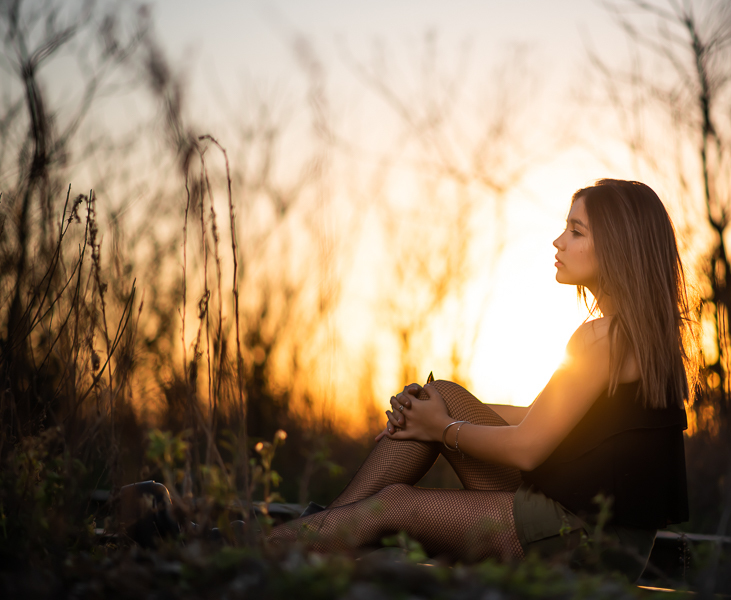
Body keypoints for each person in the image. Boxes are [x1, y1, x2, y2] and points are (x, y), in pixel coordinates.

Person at [268, 179, 694, 580]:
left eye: (576, 231)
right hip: (600, 532)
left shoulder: (603, 339)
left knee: (391, 506)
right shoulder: (640, 337)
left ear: (618, 248)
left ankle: (260, 548)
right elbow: (543, 419)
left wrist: (441, 428)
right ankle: (324, 528)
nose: (558, 241)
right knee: (442, 394)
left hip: (581, 539)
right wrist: (434, 412)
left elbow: (527, 448)